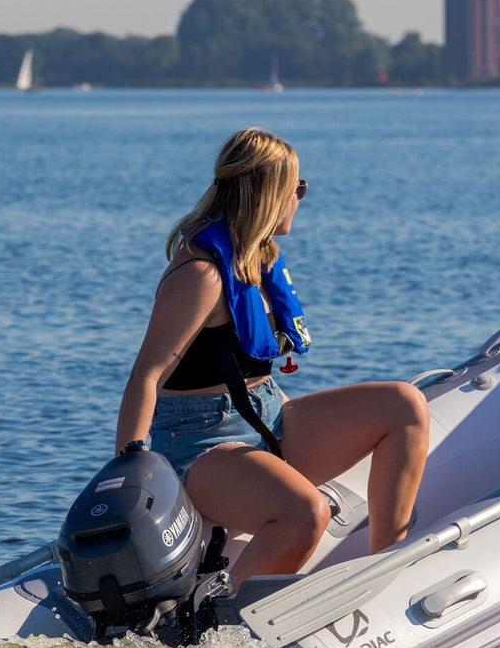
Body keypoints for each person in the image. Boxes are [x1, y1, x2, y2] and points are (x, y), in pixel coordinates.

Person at [115, 127, 429, 588]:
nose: (302, 197)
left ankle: (382, 573)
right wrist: (129, 478)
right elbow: (146, 376)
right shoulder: (200, 276)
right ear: (269, 193)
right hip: (201, 445)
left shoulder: (257, 259)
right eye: (297, 188)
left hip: (268, 417)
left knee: (405, 406)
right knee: (307, 514)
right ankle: (216, 621)